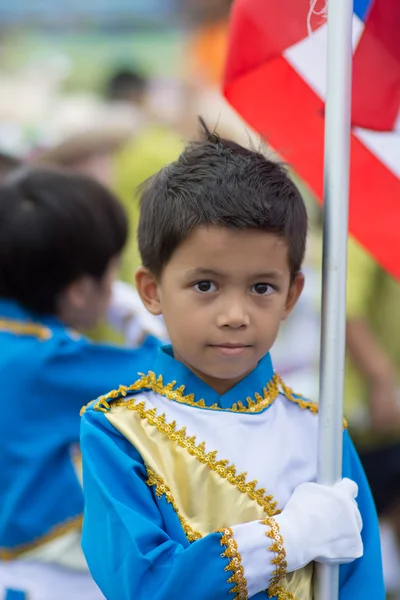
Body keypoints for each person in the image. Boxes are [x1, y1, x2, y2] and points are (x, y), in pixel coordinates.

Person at [80, 128, 384, 599]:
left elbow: (359, 583)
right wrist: (289, 537)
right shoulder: (119, 430)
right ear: (151, 290)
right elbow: (142, 586)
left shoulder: (321, 431)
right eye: (205, 285)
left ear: (291, 295)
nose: (235, 316)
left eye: (262, 287)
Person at [0, 167, 162, 599]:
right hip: (48, 573)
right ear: (77, 291)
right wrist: (133, 314)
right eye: (110, 276)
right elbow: (165, 373)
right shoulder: (45, 358)